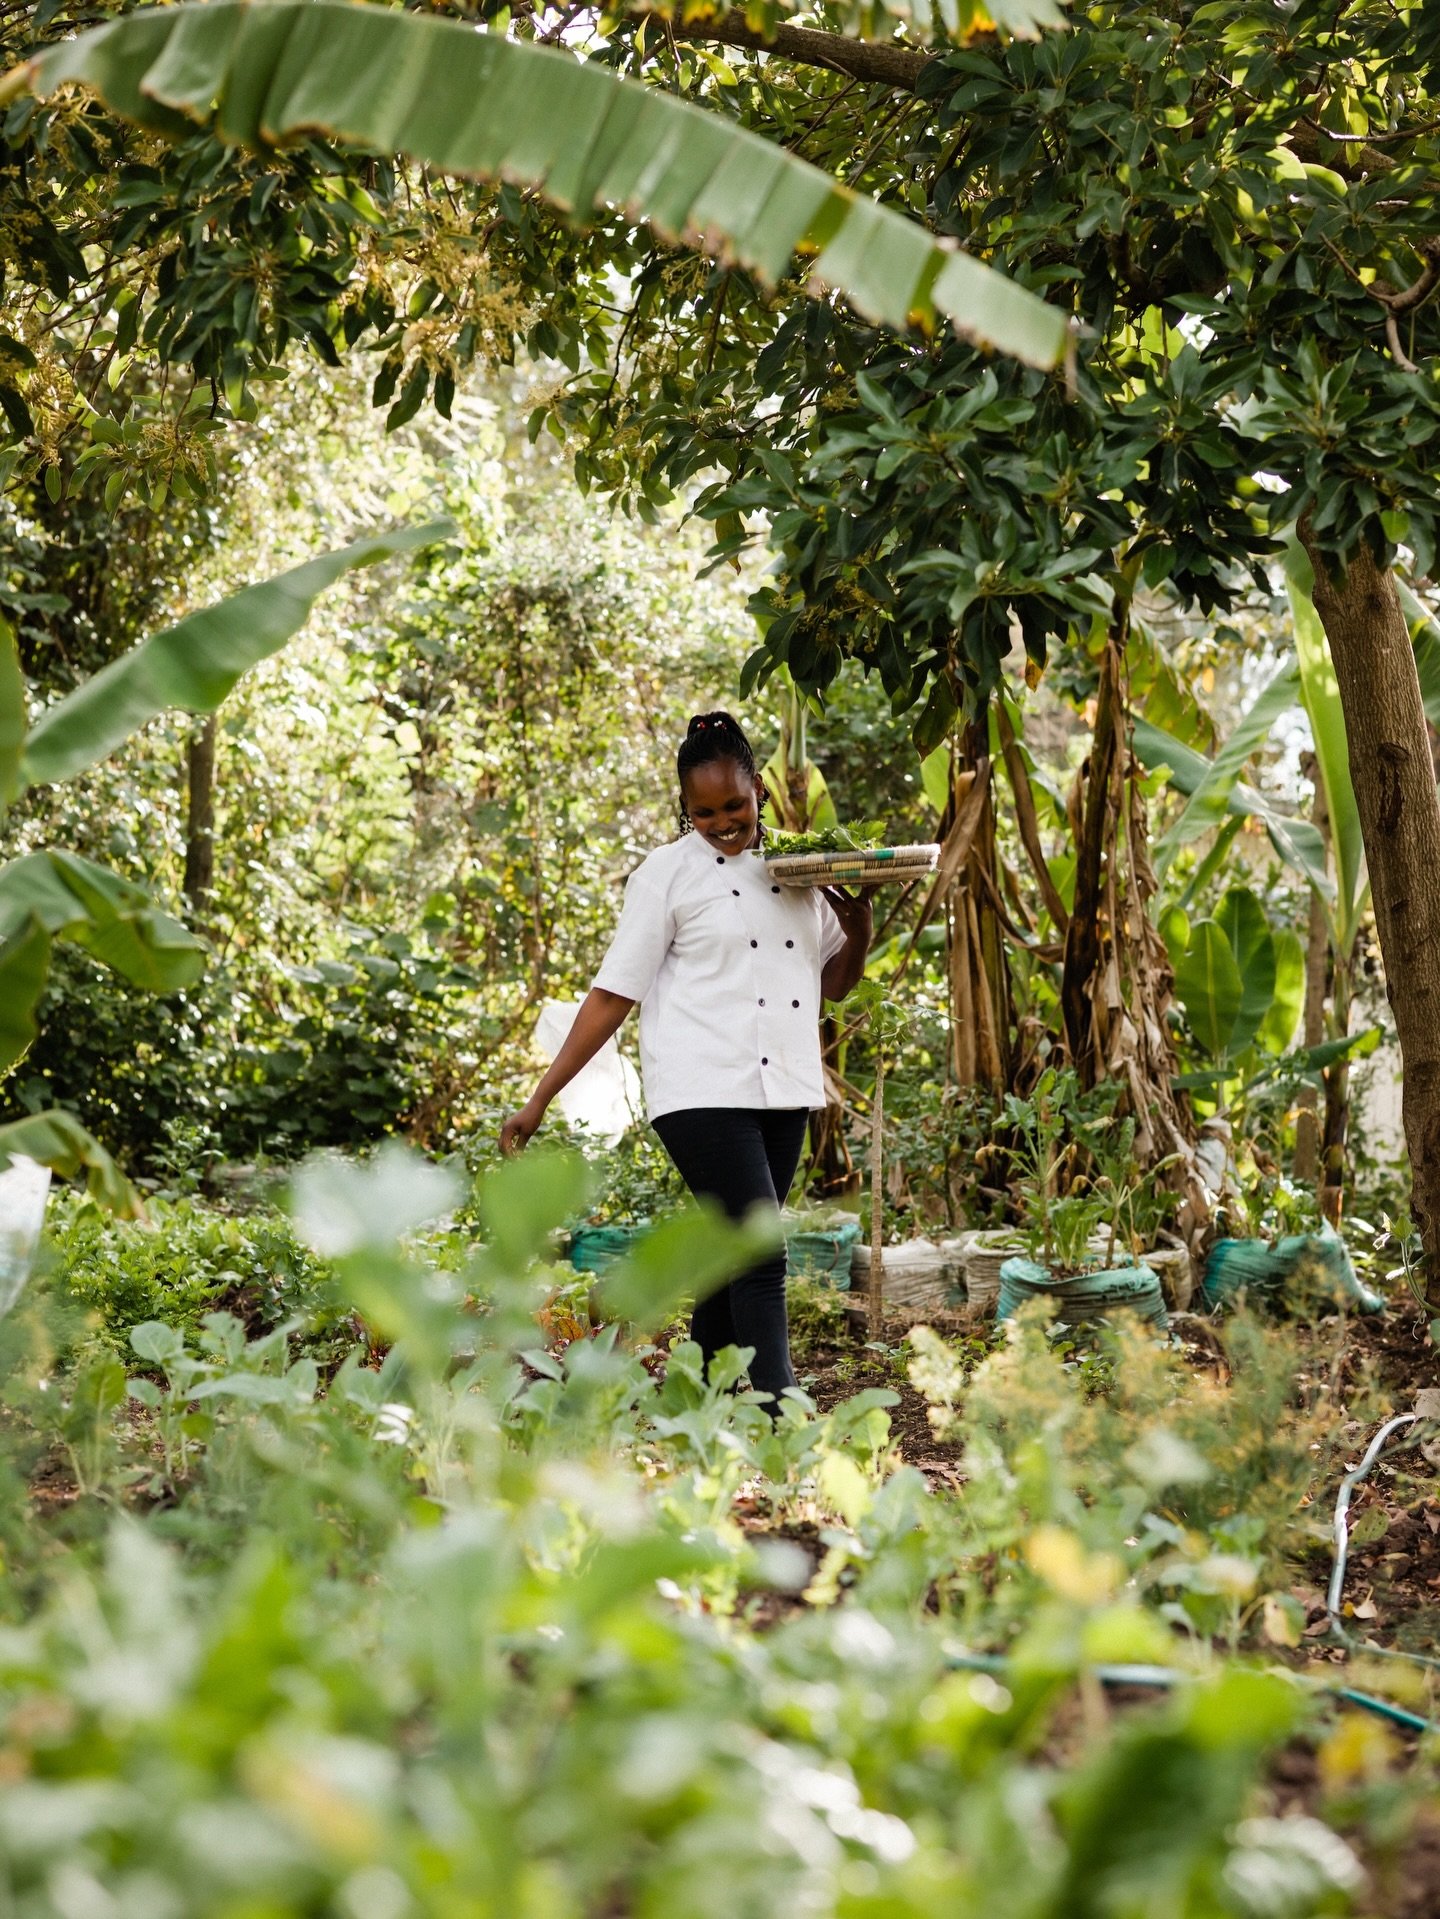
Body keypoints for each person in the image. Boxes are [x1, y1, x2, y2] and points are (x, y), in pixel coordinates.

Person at [499, 710, 872, 1407]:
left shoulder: (800, 865)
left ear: (757, 788)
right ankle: (779, 1412)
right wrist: (540, 1098)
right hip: (700, 1088)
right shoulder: (664, 876)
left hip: (784, 1086)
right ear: (685, 809)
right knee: (761, 1248)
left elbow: (833, 984)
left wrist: (859, 921)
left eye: (733, 803)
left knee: (732, 1255)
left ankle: (691, 1397)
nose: (723, 822)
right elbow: (613, 996)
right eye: (703, 812)